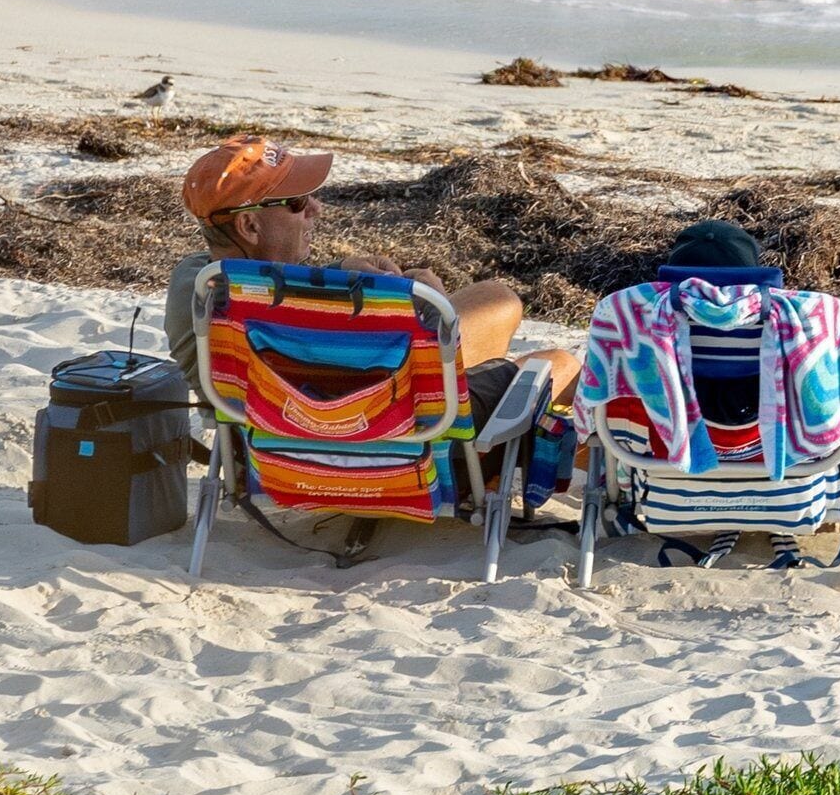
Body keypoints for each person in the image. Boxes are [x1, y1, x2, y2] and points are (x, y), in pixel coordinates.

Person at [168, 135, 557, 560]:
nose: (316, 208)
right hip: (416, 456)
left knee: (496, 299)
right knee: (553, 363)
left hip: (276, 459)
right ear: (249, 226)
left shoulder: (200, 292)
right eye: (297, 202)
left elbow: (266, 288)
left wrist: (338, 273)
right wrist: (432, 306)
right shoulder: (285, 299)